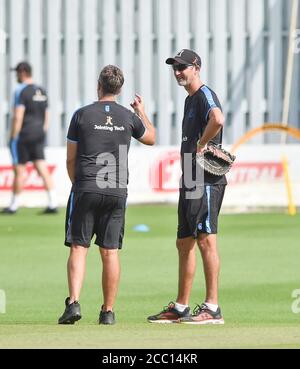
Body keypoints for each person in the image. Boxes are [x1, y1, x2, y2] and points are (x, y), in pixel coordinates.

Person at [58, 65, 155, 325]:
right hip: (116, 191)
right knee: (110, 252)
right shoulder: (127, 117)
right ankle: (108, 311)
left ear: (99, 85)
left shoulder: (81, 115)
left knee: (79, 247)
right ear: (120, 89)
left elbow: (70, 159)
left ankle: (74, 304)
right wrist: (141, 111)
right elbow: (151, 138)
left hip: (87, 187)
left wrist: (78, 184)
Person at [147, 49, 226, 324]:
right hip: (191, 177)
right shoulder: (190, 99)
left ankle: (213, 308)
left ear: (196, 67)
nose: (178, 72)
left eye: (183, 67)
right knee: (184, 242)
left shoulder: (204, 94)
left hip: (206, 177)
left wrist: (203, 144)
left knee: (206, 239)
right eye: (175, 68)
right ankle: (181, 307)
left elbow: (218, 119)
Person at [2, 61, 57, 214]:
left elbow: (17, 116)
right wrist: (42, 131)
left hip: (24, 135)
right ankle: (52, 203)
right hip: (38, 134)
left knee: (19, 170)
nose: (16, 77)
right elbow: (47, 115)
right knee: (42, 167)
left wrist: (13, 136)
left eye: (17, 73)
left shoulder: (21, 91)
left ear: (22, 72)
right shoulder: (41, 90)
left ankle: (13, 205)